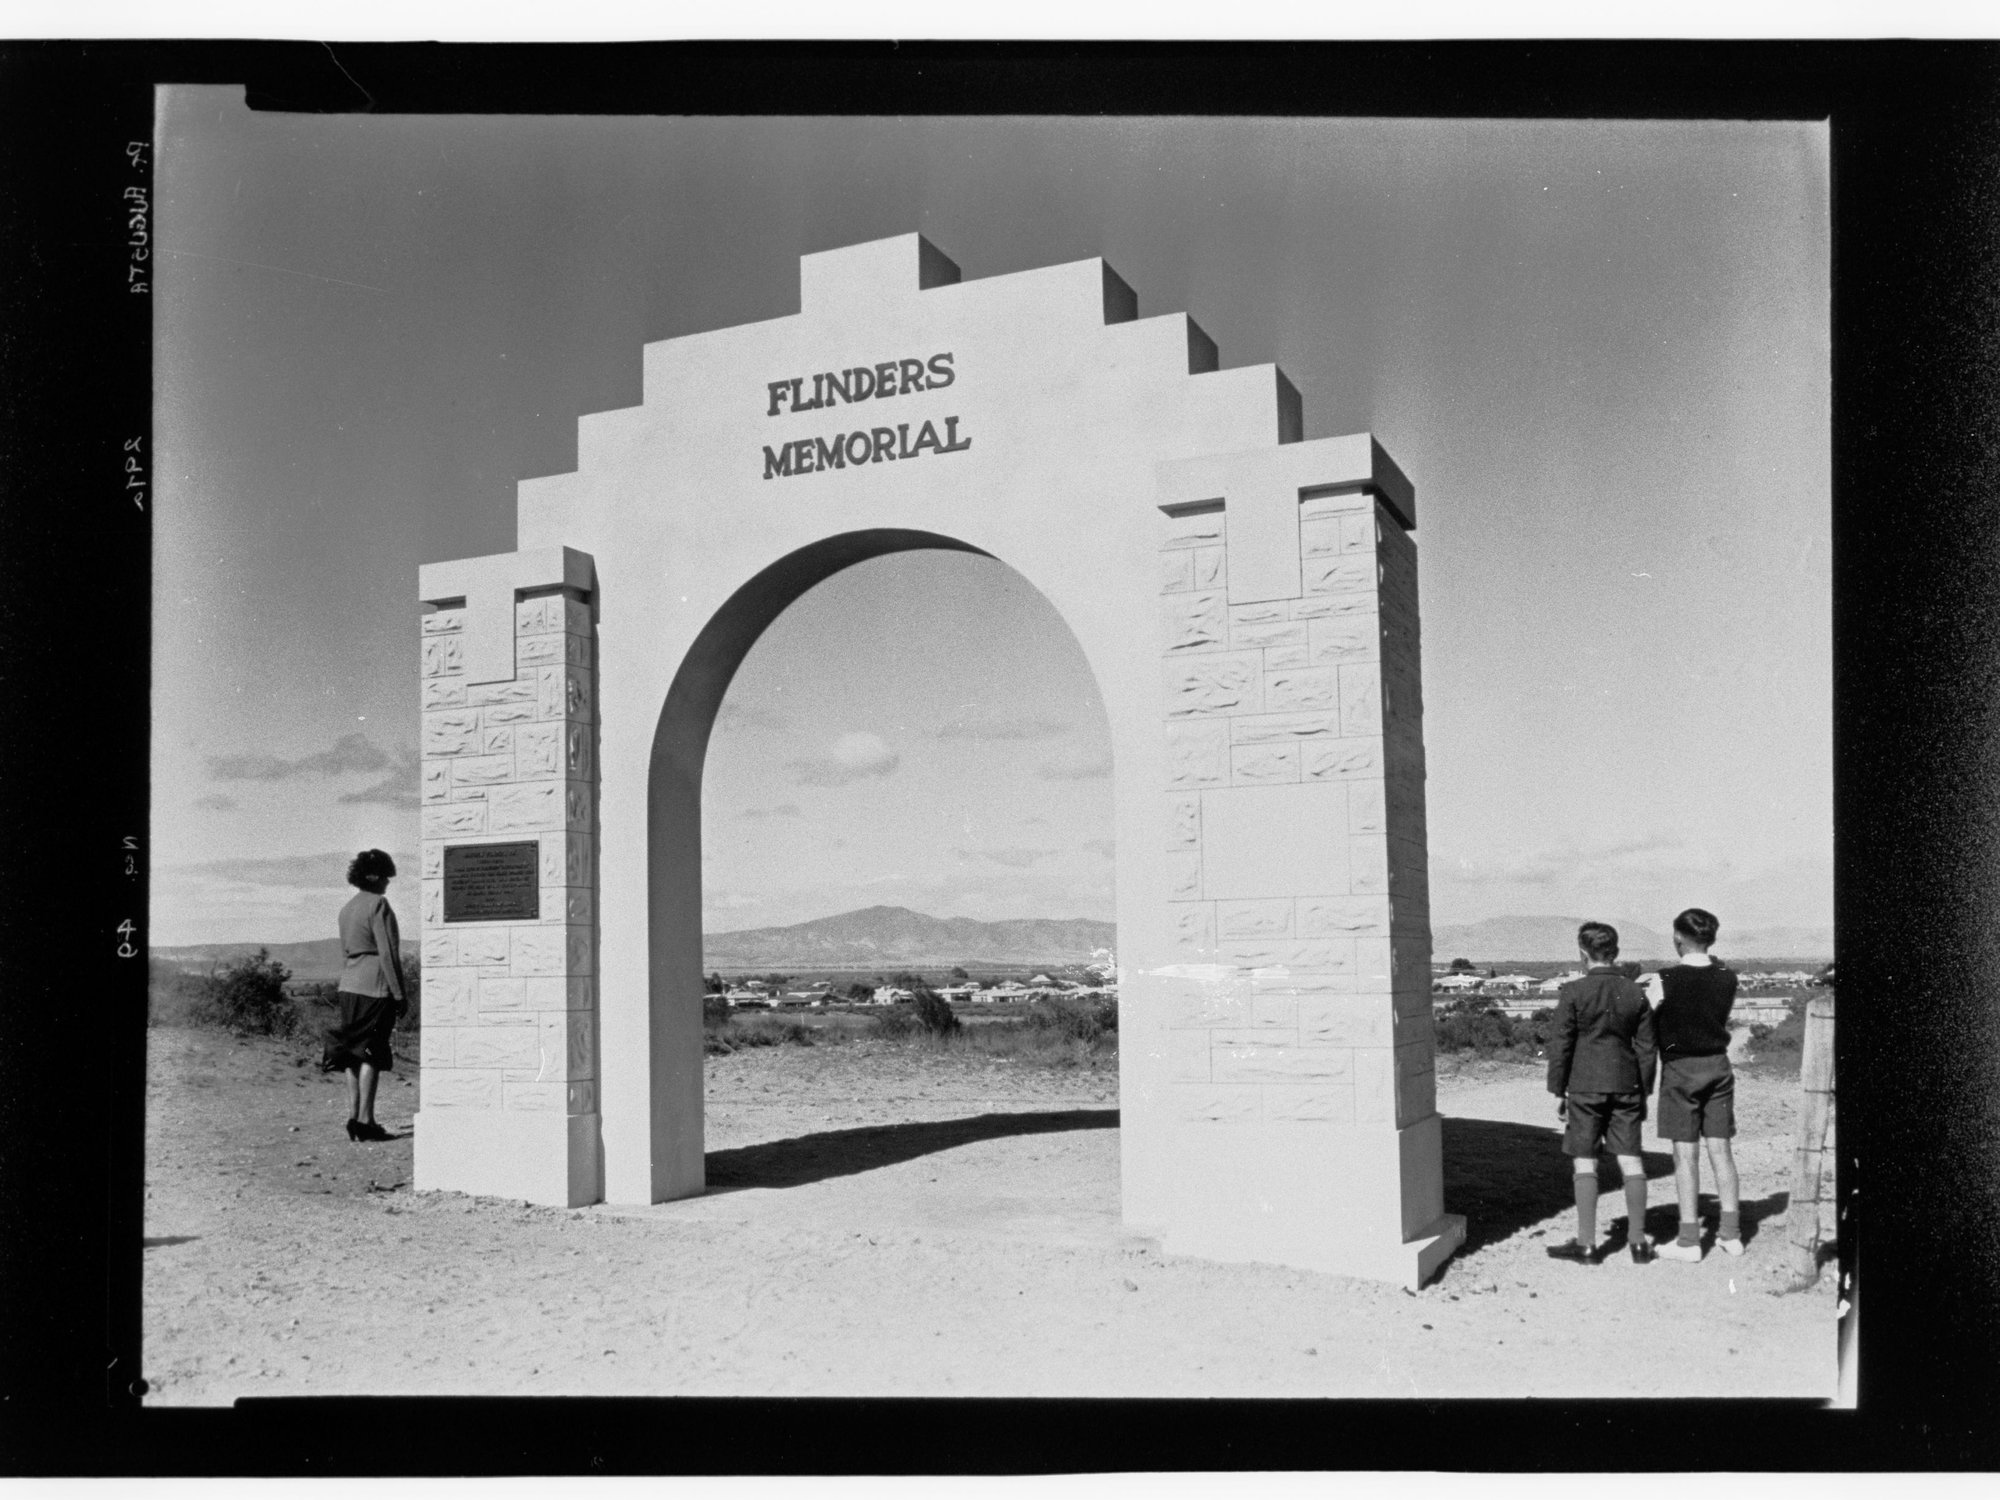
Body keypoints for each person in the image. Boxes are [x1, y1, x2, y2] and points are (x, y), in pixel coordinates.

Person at [1545, 921, 1659, 1265]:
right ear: (1616, 953)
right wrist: (1643, 1091)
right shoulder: (1635, 993)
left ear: (1582, 953)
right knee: (1631, 1159)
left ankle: (1588, 1245)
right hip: (1627, 1085)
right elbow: (1647, 1048)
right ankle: (1638, 1243)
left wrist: (1558, 1090)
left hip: (1584, 1085)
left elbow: (1561, 1045)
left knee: (1586, 1162)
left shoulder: (1573, 992)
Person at [1644, 907, 1743, 1261]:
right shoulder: (1727, 977)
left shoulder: (1664, 979)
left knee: (1685, 1156)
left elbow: (1644, 1018)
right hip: (1718, 1066)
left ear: (1679, 938)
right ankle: (1731, 1234)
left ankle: (1689, 1240)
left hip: (1680, 1070)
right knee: (1721, 1151)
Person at [320, 849, 407, 1142]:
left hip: (349, 985)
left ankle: (354, 1116)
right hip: (375, 986)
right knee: (372, 1051)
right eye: (384, 877)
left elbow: (345, 951)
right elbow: (388, 952)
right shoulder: (378, 905)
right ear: (373, 876)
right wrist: (399, 993)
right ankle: (367, 1122)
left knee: (352, 1053)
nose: (387, 883)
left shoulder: (347, 909)